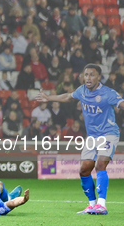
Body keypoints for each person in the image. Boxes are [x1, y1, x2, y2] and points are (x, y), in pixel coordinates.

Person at [36, 64, 123, 215]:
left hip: (108, 133)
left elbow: (121, 103)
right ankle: (92, 204)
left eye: (91, 75)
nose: (88, 78)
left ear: (99, 77)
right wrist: (49, 98)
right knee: (84, 170)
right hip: (92, 136)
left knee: (100, 164)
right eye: (86, 74)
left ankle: (102, 205)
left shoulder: (108, 93)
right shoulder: (81, 90)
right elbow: (68, 96)